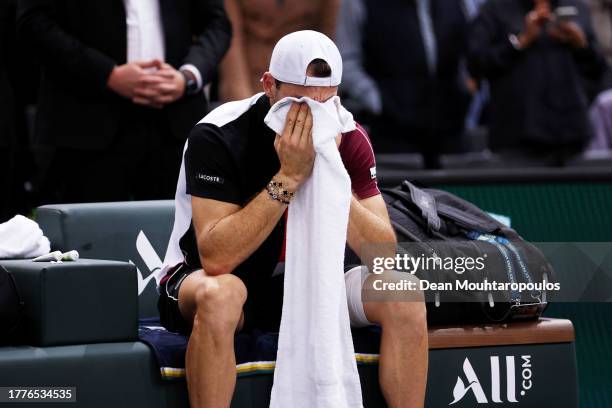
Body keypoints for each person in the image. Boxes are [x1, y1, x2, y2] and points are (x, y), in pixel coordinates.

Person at [157, 31, 428, 407]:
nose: (312, 114)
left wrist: (329, 173)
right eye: (299, 101)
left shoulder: (347, 135)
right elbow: (216, 258)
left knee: (403, 291)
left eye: (326, 101)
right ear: (269, 85)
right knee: (223, 295)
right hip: (216, 279)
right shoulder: (219, 133)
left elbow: (383, 257)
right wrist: (289, 178)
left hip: (314, 278)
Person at [17, 0, 231, 203]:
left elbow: (217, 23)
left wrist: (188, 77)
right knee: (89, 235)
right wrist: (107, 74)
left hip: (175, 125)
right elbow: (34, 21)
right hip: (85, 123)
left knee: (174, 234)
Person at [336, 0, 472, 168]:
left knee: (455, 192)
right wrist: (379, 102)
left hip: (450, 132)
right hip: (391, 134)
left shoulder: (455, 4)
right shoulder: (359, 4)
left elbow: (468, 53)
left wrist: (464, 93)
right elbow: (346, 62)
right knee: (399, 193)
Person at [468, 0, 606, 165]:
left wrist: (581, 44)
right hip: (517, 139)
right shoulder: (496, 9)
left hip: (571, 136)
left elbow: (598, 71)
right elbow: (477, 63)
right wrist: (520, 41)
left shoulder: (577, 8)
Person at [217, 0, 340, 102]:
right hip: (250, 78)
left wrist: (321, 103)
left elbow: (327, 44)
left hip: (303, 86)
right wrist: (245, 107)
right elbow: (233, 41)